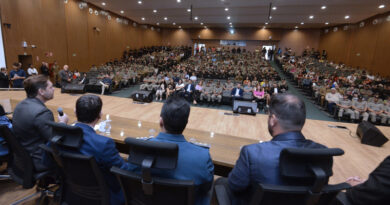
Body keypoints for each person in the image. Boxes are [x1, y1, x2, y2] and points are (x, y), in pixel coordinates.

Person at [216, 94, 326, 204]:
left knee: (221, 183)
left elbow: (235, 185)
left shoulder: (252, 152)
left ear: (273, 120)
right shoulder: (323, 153)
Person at [128, 96, 214, 205]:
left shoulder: (138, 149)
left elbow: (130, 174)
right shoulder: (202, 157)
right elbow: (206, 187)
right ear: (186, 123)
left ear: (161, 121)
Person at [73, 95, 131, 205]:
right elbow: (124, 172)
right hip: (106, 196)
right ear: (100, 115)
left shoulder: (62, 136)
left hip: (73, 192)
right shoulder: (103, 144)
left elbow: (47, 160)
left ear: (75, 112)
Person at [12, 75, 68, 171]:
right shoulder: (42, 112)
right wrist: (62, 123)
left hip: (23, 156)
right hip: (39, 159)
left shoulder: (20, 105)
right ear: (41, 91)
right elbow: (55, 141)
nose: (54, 89)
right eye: (50, 87)